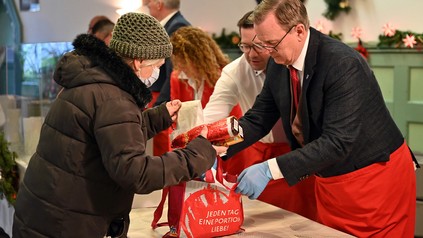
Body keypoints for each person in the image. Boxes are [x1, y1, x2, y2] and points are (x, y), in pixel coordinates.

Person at [12, 13, 224, 238]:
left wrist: (159, 117)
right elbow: (136, 173)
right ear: (139, 60)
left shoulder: (95, 79)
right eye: (158, 65)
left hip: (45, 214)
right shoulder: (115, 98)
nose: (157, 72)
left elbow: (107, 132)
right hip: (66, 223)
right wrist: (198, 153)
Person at [226, 0, 419, 237]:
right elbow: (258, 119)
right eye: (261, 43)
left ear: (299, 30)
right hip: (332, 180)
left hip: (374, 179)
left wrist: (269, 169)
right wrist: (218, 144)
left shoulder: (343, 63)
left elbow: (338, 141)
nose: (266, 51)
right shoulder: (279, 61)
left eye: (271, 43)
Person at [202, 10, 316, 220]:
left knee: (303, 218)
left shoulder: (296, 66)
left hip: (297, 153)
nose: (251, 54)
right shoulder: (235, 71)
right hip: (259, 150)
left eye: (258, 46)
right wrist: (202, 147)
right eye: (245, 46)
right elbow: (213, 115)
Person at [142, 0, 191, 107]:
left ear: (159, 4)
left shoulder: (177, 26)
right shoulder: (171, 25)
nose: (148, 5)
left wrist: (159, 105)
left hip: (162, 93)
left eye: (149, 2)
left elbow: (173, 70)